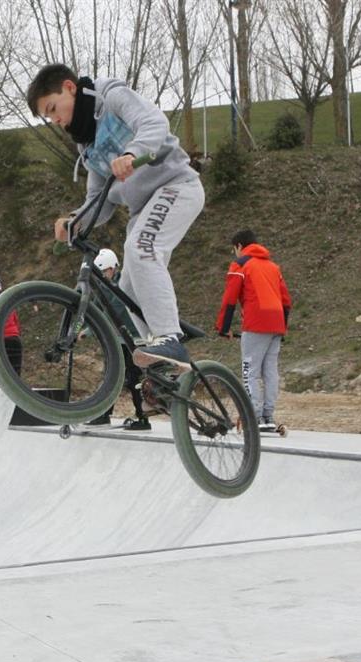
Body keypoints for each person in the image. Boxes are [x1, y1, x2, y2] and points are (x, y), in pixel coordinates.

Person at [27, 63, 204, 370]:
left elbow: (153, 122)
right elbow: (99, 200)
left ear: (70, 87)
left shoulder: (111, 96)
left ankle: (169, 338)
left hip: (176, 186)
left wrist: (132, 154)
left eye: (54, 108)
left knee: (142, 249)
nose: (55, 120)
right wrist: (75, 221)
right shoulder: (87, 144)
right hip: (143, 209)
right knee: (129, 289)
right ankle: (163, 367)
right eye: (49, 116)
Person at [215, 229, 293, 433]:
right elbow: (286, 301)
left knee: (250, 371)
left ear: (239, 246)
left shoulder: (240, 265)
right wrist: (282, 327)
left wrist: (223, 328)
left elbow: (229, 299)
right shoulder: (273, 267)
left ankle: (255, 417)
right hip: (276, 324)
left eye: (235, 250)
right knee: (270, 371)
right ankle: (268, 416)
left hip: (255, 323)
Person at [90, 248, 151, 430]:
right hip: (119, 341)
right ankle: (103, 414)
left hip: (134, 341)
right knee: (112, 376)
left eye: (104, 272)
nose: (102, 276)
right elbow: (95, 309)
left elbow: (114, 310)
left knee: (134, 378)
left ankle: (143, 418)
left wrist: (90, 330)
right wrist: (81, 327)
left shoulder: (122, 285)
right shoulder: (104, 286)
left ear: (112, 268)